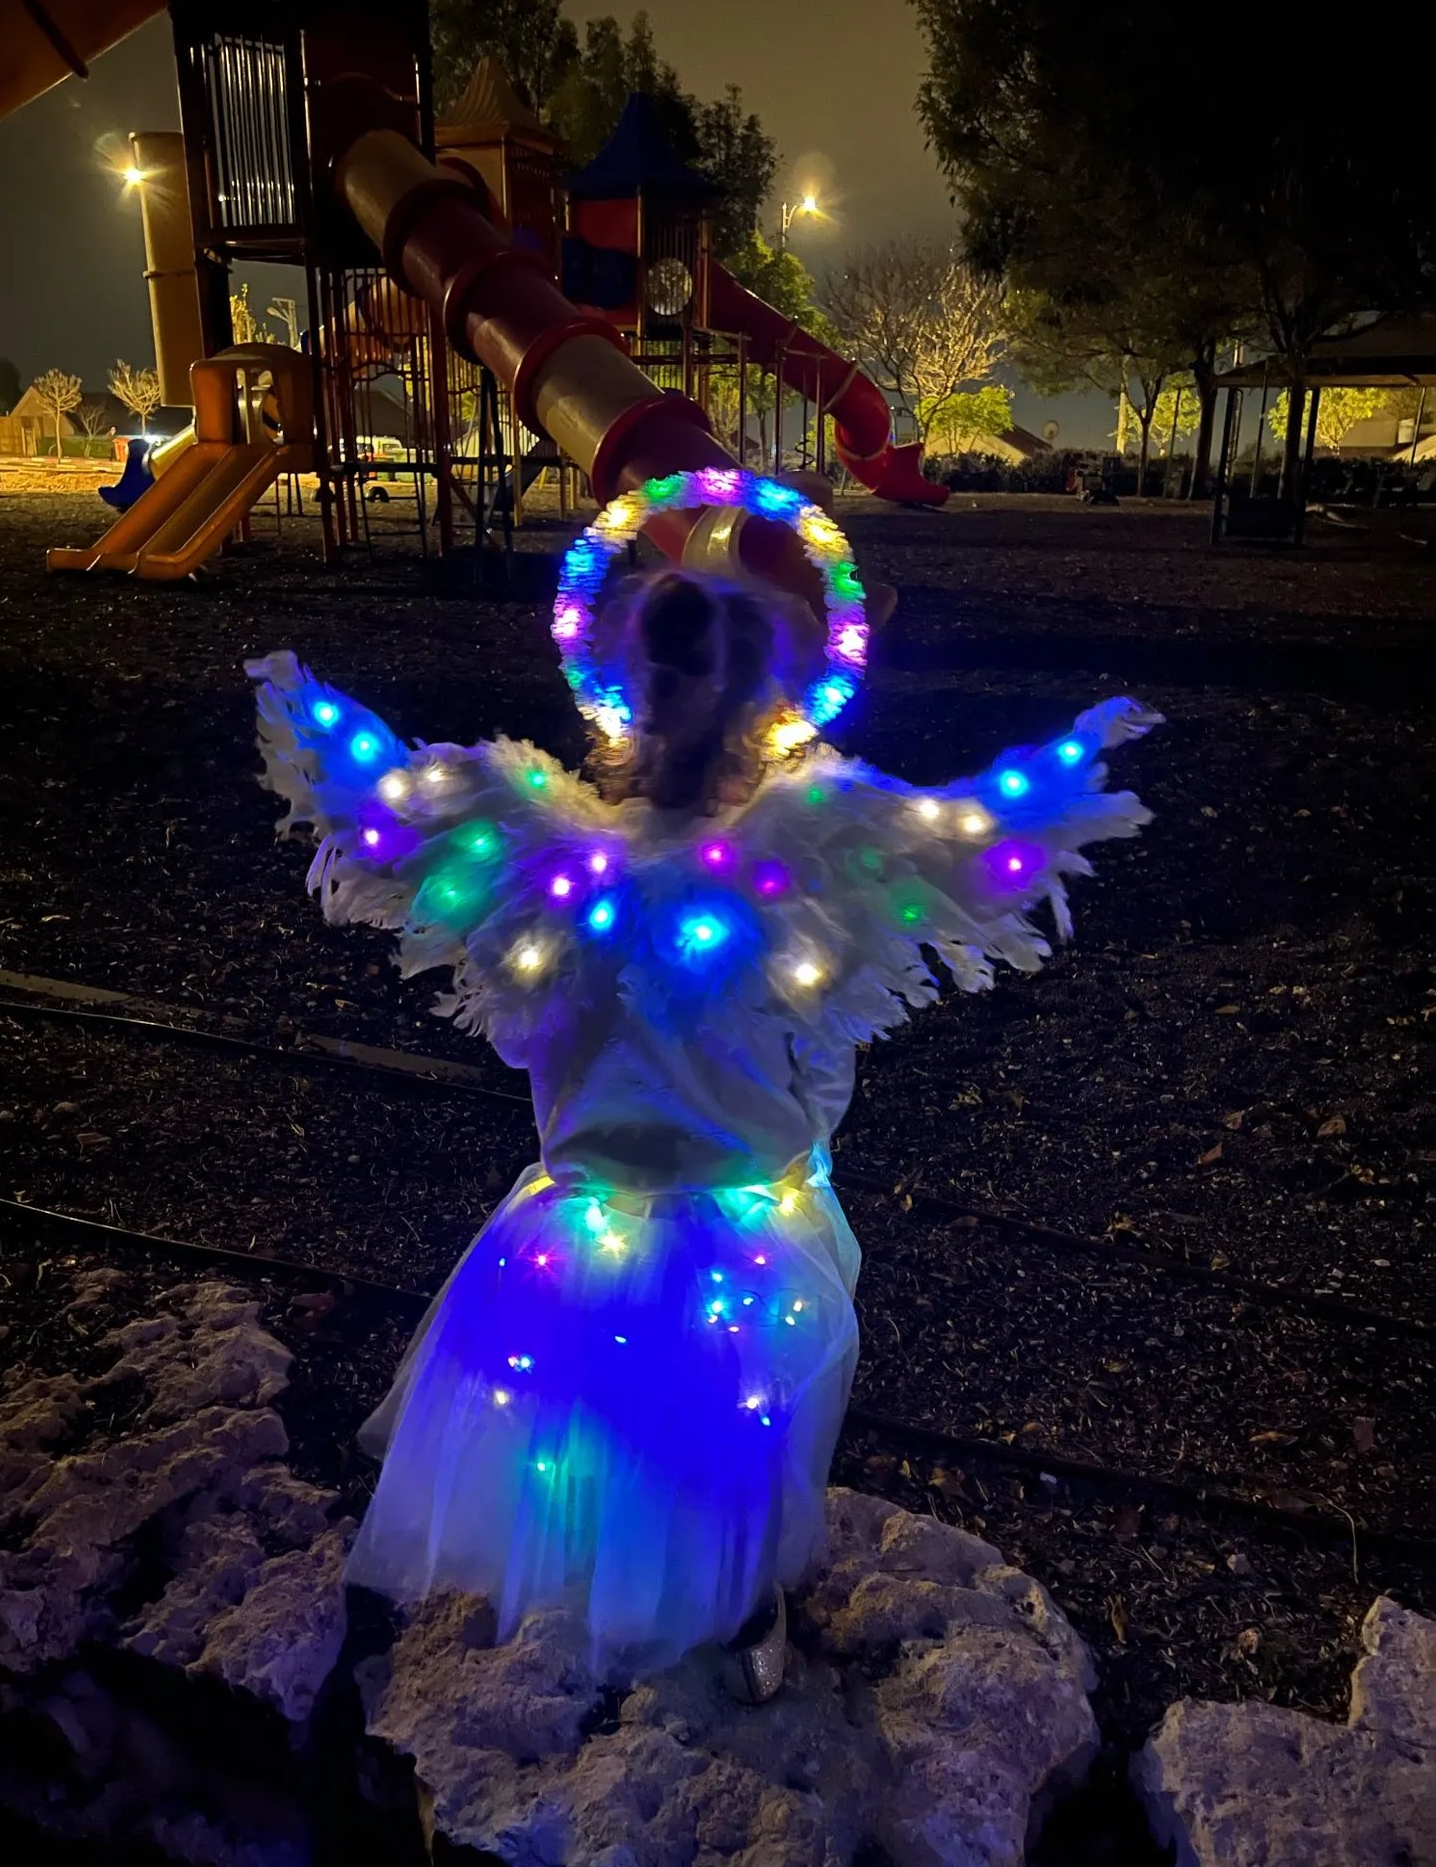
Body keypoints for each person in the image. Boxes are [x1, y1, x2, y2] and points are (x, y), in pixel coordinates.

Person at [246, 473, 1160, 1702]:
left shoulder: (539, 860)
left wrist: (306, 708)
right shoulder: (805, 858)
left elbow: (395, 807)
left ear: (621, 682)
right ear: (774, 695)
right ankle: (720, 1634)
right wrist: (1072, 766)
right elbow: (966, 842)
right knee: (718, 1464)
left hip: (567, 1239)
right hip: (745, 1246)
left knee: (577, 1451)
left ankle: (582, 1631)